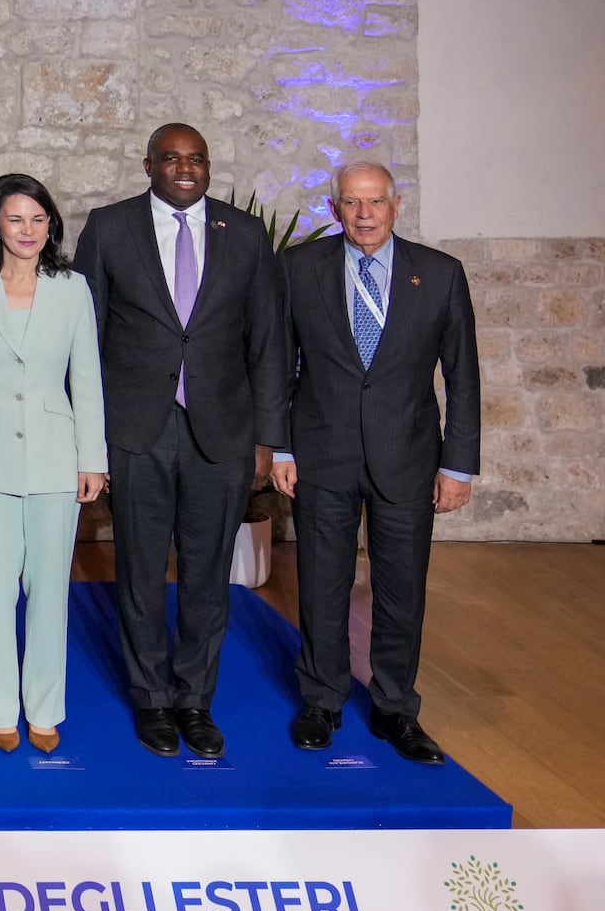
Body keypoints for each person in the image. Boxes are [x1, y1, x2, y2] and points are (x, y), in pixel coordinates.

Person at [72, 122, 288, 759]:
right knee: (139, 572)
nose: (185, 168)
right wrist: (91, 439)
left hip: (221, 433)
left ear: (209, 166)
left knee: (206, 573)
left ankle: (195, 700)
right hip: (138, 431)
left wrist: (267, 439)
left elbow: (269, 342)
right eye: (172, 158)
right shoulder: (110, 230)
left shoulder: (245, 235)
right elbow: (85, 339)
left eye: (196, 158)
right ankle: (151, 701)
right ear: (149, 166)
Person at [272, 160, 479, 765]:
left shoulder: (439, 275)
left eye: (376, 202)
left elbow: (462, 377)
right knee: (322, 582)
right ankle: (322, 699)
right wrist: (280, 447)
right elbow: (279, 367)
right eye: (352, 203)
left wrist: (458, 465)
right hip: (321, 454)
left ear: (395, 205)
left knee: (400, 589)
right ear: (335, 209)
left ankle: (394, 708)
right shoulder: (299, 270)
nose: (364, 215)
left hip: (408, 457)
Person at [0, 174, 107, 754]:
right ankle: (0, 708)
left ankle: (44, 706)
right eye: (16, 219)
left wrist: (93, 458)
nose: (28, 230)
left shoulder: (72, 288)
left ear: (51, 226)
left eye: (39, 219)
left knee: (48, 592)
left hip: (55, 459)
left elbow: (86, 378)